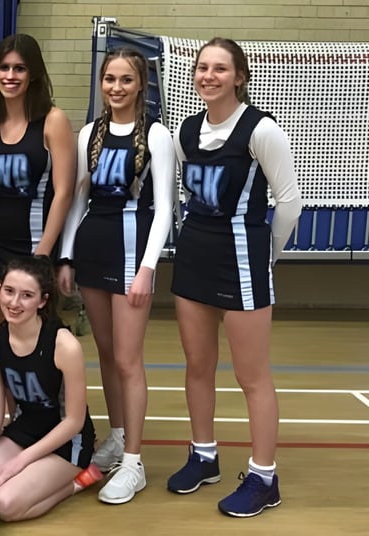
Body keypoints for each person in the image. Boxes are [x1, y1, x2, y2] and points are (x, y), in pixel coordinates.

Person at [165, 37, 302, 517]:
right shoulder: (185, 132)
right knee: (197, 366)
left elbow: (289, 203)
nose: (208, 76)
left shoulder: (261, 130)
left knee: (252, 376)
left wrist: (270, 256)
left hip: (242, 261)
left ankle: (265, 478)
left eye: (220, 69)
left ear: (239, 76)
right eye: (202, 67)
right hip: (194, 260)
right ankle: (204, 454)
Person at [57, 47, 175, 504]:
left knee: (129, 360)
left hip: (131, 254)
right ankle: (119, 436)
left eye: (126, 79)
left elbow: (164, 207)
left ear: (140, 84)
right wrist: (66, 257)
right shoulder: (89, 132)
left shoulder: (158, 136)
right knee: (106, 354)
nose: (116, 87)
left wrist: (148, 268)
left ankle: (134, 462)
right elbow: (78, 204)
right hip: (93, 252)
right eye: (110, 79)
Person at [0, 255, 99, 521]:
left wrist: (21, 461)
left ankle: (77, 482)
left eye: (26, 295)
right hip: (25, 429)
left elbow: (74, 421)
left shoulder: (64, 346)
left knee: (4, 504)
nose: (14, 303)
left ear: (42, 301)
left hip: (67, 440)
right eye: (9, 291)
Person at [0, 33, 75, 323]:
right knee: (7, 335)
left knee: (41, 338)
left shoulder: (53, 121)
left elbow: (64, 193)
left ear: (33, 74)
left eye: (20, 68)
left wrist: (43, 255)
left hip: (37, 245)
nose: (10, 76)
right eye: (4, 68)